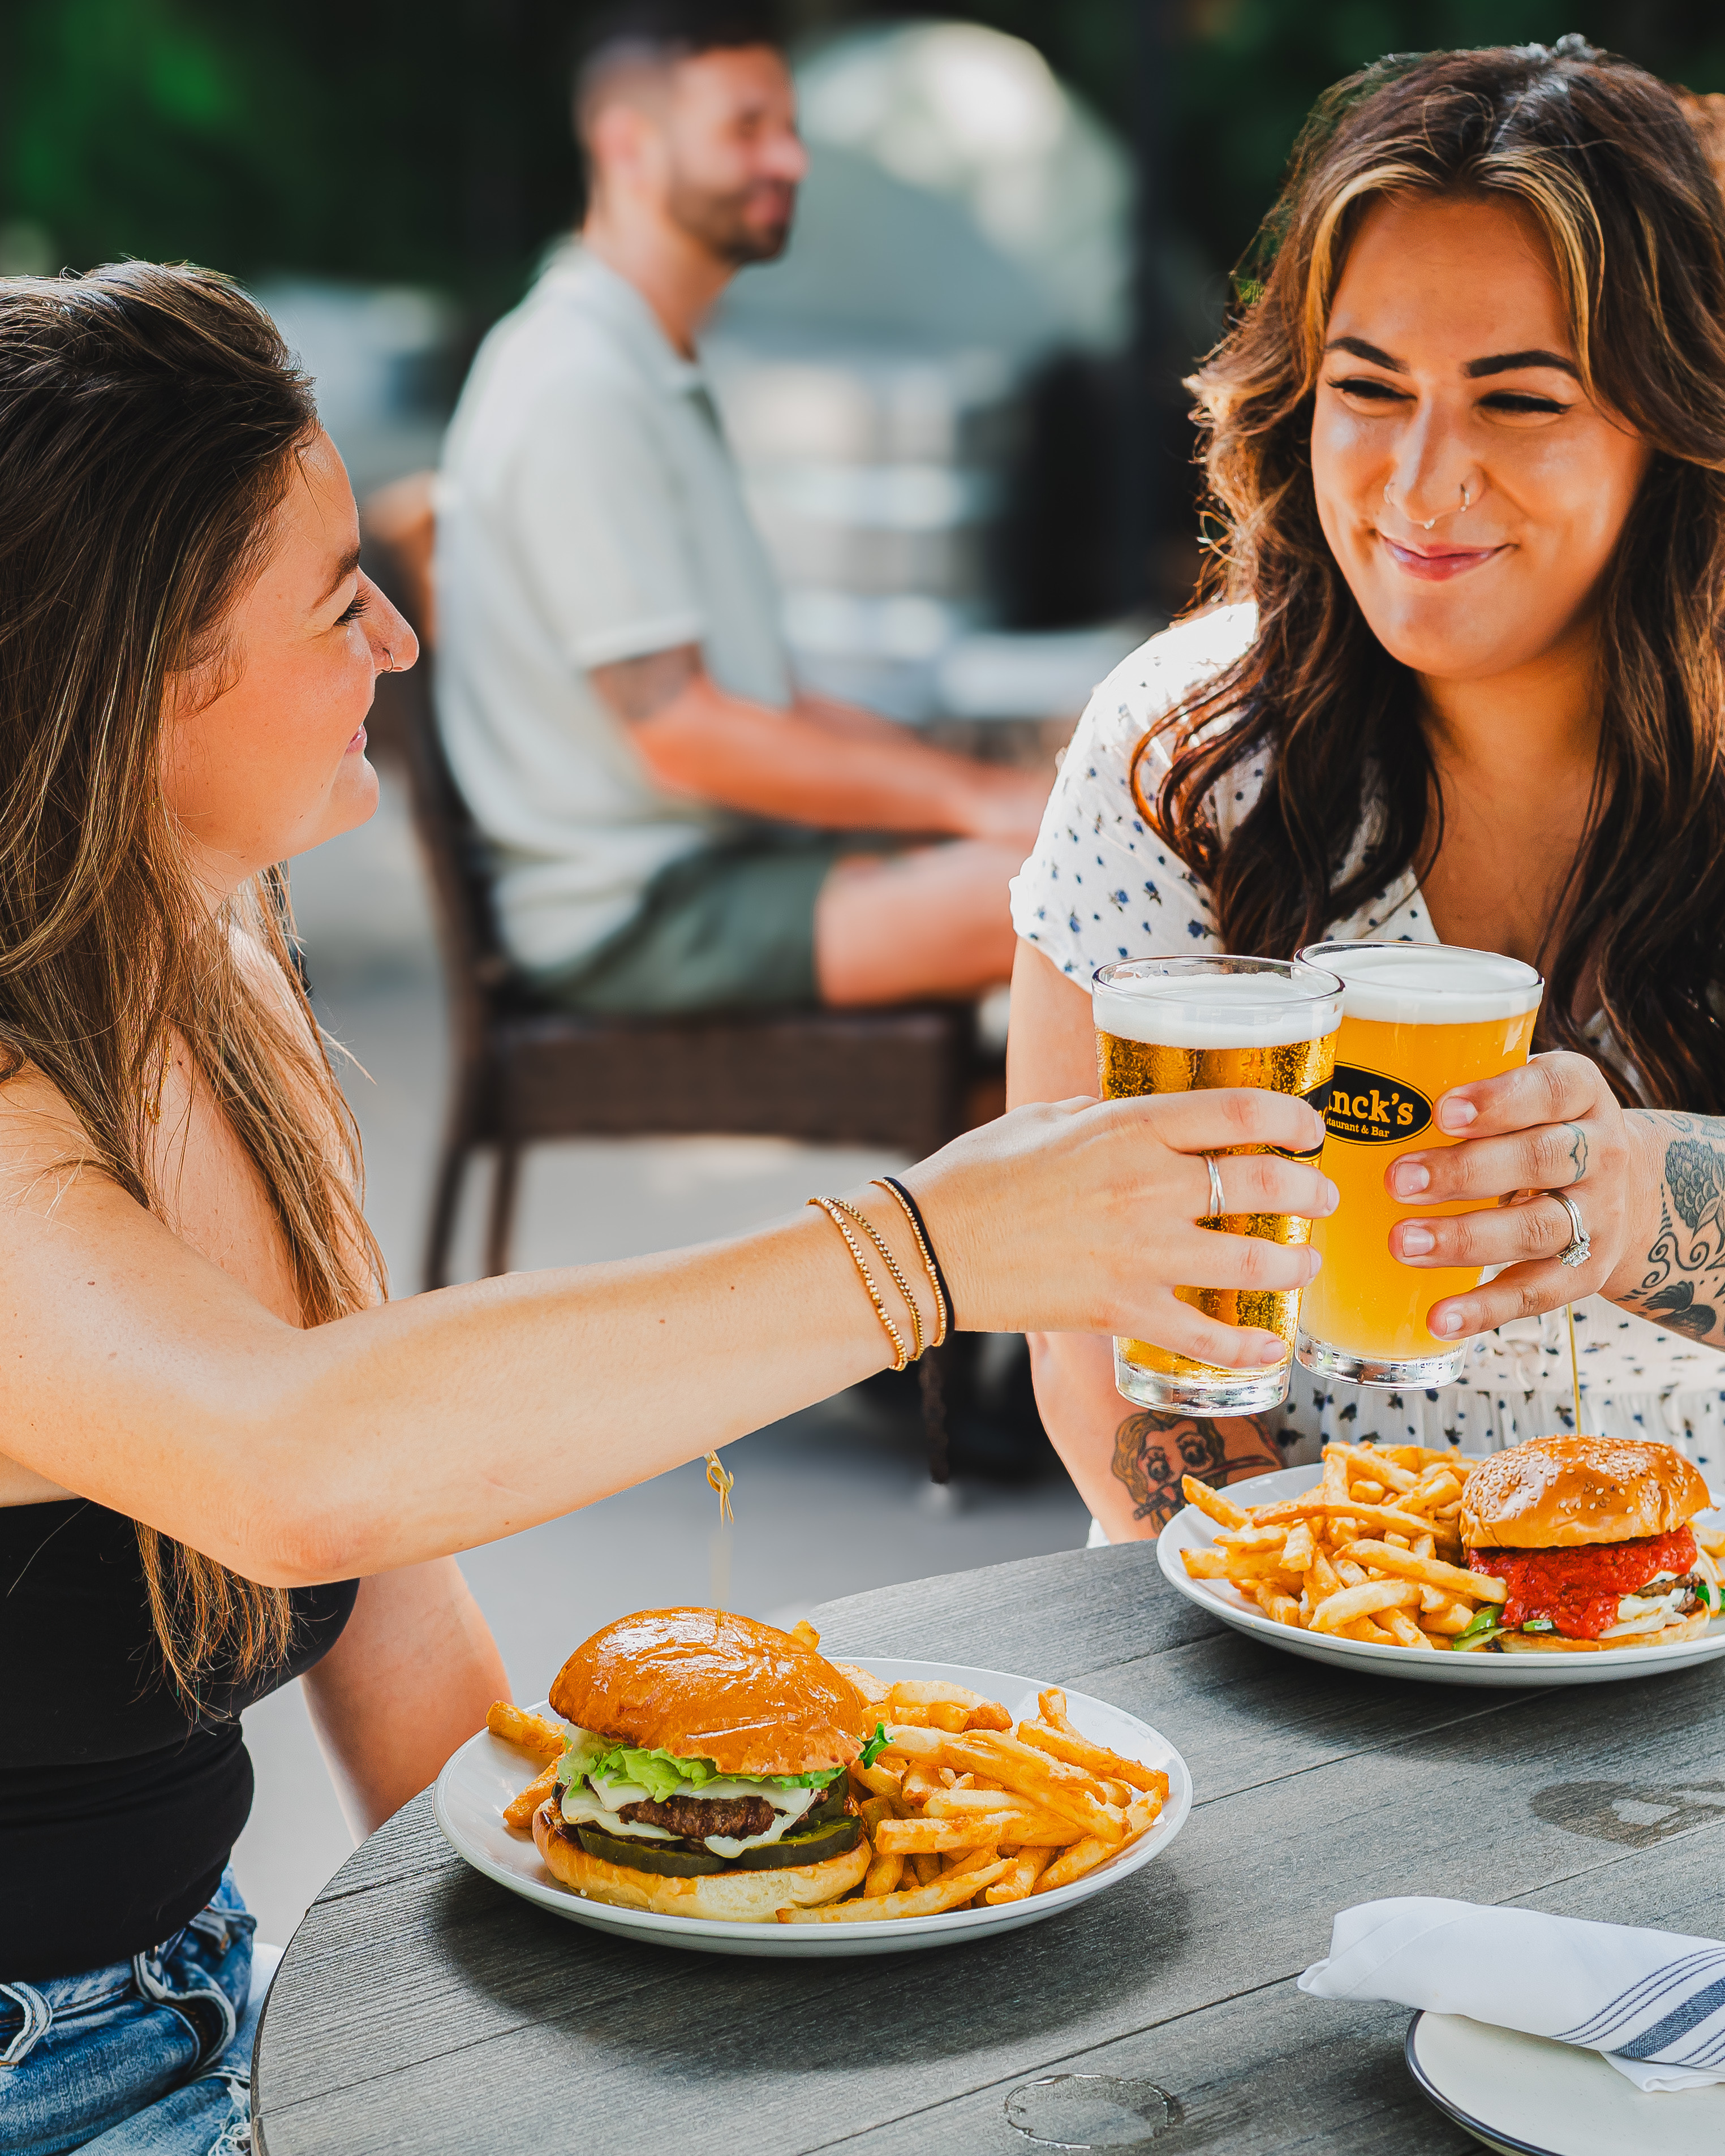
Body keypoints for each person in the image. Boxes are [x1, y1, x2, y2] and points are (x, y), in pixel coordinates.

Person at [0, 264, 1333, 2152]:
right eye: (332, 599)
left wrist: (646, 1951)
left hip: (198, 1998)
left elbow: (393, 1597)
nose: (395, 636)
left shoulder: (204, 969)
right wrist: (939, 1249)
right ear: (126, 676)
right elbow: (294, 1461)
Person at [1007, 37, 1725, 1542]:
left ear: (1671, 431)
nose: (1418, 477)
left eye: (1520, 400)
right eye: (1369, 387)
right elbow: (1091, 1337)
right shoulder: (1180, 750)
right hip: (1288, 1639)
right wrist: (1334, 1608)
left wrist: (1638, 1199)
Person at [432, 1, 1048, 1018]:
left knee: (1078, 847)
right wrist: (974, 803)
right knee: (1072, 891)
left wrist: (986, 793)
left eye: (789, 127)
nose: (791, 159)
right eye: (746, 128)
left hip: (720, 860)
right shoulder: (577, 381)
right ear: (627, 145)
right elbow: (682, 732)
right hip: (637, 914)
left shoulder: (641, 356)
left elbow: (768, 703)